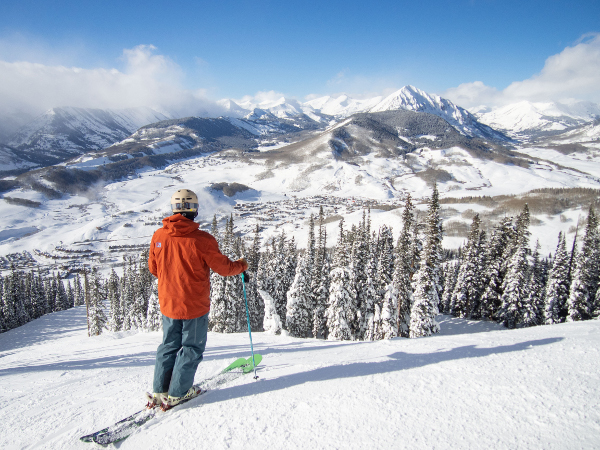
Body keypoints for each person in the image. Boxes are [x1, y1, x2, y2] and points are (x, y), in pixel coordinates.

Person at [146, 188, 248, 409]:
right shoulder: (202, 240)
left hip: (168, 303)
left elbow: (154, 268)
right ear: (194, 210)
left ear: (174, 209)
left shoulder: (159, 235)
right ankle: (178, 393)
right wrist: (241, 265)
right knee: (191, 347)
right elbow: (224, 268)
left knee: (168, 345)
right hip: (194, 304)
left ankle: (160, 390)